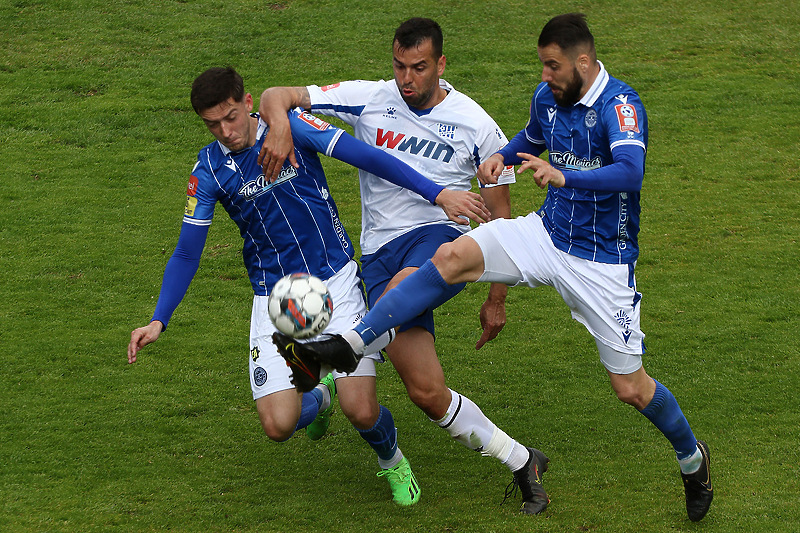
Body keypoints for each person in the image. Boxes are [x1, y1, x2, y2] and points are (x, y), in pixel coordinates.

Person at [271, 13, 714, 522]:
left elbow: (630, 172)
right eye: (542, 65)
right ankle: (344, 347)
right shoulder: (548, 96)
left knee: (631, 388)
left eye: (553, 66)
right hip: (546, 234)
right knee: (452, 256)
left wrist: (564, 176)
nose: (544, 75)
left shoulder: (620, 106)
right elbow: (530, 137)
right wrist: (501, 158)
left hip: (601, 263)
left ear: (584, 62)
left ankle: (691, 458)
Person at [127, 66, 492, 506]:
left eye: (230, 118)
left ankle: (391, 460)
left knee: (362, 410)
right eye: (212, 125)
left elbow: (368, 156)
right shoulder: (208, 170)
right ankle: (320, 396)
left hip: (336, 282)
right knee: (278, 426)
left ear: (247, 103)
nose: (225, 131)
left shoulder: (292, 127)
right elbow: (187, 252)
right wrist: (158, 320)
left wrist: (438, 194)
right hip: (277, 298)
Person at [261, 17, 551, 515]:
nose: (406, 78)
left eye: (418, 67)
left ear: (441, 64)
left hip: (442, 242)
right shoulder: (369, 97)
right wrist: (283, 125)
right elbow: (274, 95)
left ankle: (333, 359)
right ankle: (522, 460)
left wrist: (496, 297)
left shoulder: (475, 123)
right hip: (376, 254)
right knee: (426, 391)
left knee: (404, 283)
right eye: (399, 66)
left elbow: (500, 211)